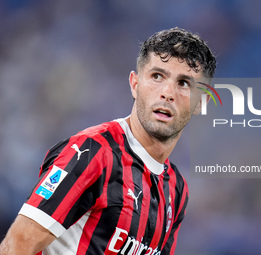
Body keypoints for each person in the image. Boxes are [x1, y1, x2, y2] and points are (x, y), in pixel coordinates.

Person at [0, 27, 216, 255]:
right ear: (135, 84)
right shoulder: (91, 152)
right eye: (157, 76)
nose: (167, 92)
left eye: (184, 83)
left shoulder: (176, 189)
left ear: (201, 102)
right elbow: (17, 245)